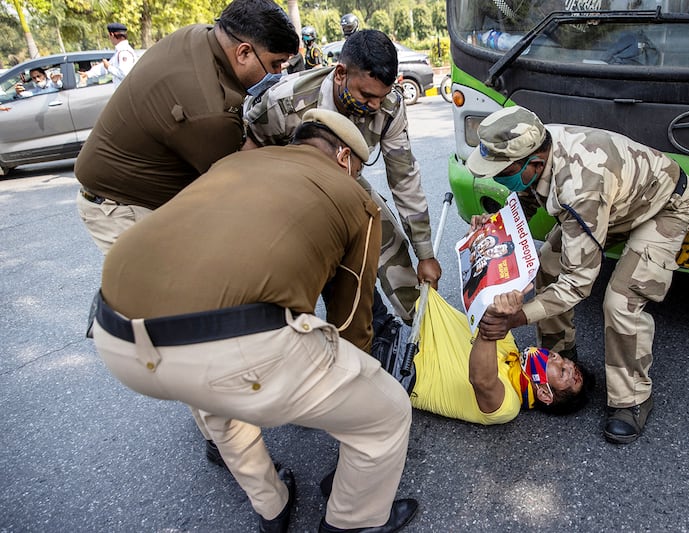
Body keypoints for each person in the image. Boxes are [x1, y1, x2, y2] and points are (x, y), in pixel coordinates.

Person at [90, 109, 418, 533]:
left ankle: (272, 506)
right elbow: (352, 312)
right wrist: (343, 391)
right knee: (386, 414)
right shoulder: (354, 196)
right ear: (343, 158)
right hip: (232, 348)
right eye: (357, 168)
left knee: (220, 407)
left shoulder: (234, 163)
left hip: (115, 334)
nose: (355, 177)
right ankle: (353, 523)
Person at [75, 0, 298, 468]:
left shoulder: (199, 36)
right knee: (188, 331)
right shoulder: (207, 112)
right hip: (122, 210)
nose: (276, 74)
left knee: (189, 323)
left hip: (146, 199)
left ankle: (222, 428)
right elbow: (230, 196)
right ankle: (234, 449)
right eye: (274, 65)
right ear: (242, 53)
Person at [466, 106, 689, 444]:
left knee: (621, 300)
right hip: (616, 202)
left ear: (534, 163)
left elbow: (579, 282)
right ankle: (559, 347)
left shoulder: (579, 186)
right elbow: (526, 199)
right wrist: (492, 226)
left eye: (502, 170)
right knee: (546, 264)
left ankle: (632, 400)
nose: (495, 177)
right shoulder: (533, 139)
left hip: (665, 207)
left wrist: (519, 317)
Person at [243, 29, 442, 335]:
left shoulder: (390, 108)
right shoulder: (286, 104)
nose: (375, 105)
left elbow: (404, 178)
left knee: (389, 242)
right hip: (290, 195)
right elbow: (248, 155)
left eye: (381, 96)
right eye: (366, 96)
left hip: (348, 183)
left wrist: (425, 255)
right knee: (310, 272)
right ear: (340, 74)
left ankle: (426, 333)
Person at [372, 286, 594, 425]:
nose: (556, 357)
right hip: (393, 328)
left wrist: (495, 322)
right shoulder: (509, 347)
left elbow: (481, 380)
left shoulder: (507, 406)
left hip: (387, 365)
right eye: (564, 359)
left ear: (545, 394)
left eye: (563, 371)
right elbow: (481, 303)